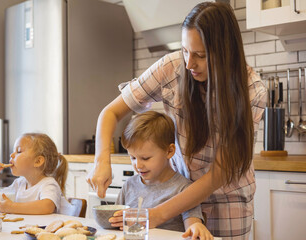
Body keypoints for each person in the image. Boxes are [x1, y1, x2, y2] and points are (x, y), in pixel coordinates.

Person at [86, 2, 267, 239]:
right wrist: (101, 160)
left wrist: (157, 215)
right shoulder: (170, 68)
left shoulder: (251, 90)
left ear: (225, 53)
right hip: (177, 197)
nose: (189, 63)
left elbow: (220, 173)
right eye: (185, 51)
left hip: (227, 204)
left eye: (200, 55)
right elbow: (110, 113)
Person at [115, 111, 212, 239]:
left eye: (145, 158)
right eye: (132, 157)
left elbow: (192, 224)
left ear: (169, 151)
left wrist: (196, 227)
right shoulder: (129, 185)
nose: (138, 165)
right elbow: (116, 222)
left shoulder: (184, 189)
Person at [0, 133, 68, 214]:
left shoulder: (48, 184)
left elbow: (47, 206)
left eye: (19, 151)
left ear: (38, 161)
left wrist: (12, 207)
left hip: (42, 227)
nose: (12, 155)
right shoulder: (19, 183)